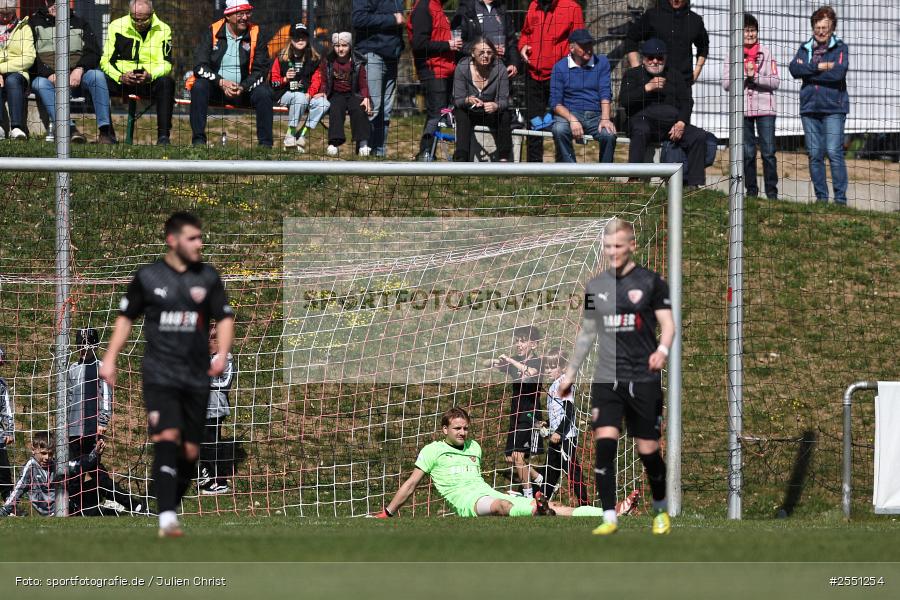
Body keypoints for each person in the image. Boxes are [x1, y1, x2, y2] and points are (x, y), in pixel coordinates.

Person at [100, 211, 235, 537]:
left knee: (189, 451)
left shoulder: (208, 278)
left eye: (200, 237)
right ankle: (167, 518)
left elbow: (226, 317)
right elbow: (125, 319)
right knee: (166, 439)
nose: (199, 243)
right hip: (160, 374)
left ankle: (171, 502)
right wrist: (110, 358)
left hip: (195, 376)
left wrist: (221, 355)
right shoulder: (148, 277)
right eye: (193, 238)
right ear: (172, 241)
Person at [557, 218, 675, 536]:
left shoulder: (652, 283)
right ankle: (609, 517)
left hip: (643, 378)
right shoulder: (596, 287)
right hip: (607, 379)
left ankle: (661, 509)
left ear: (632, 246)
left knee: (648, 451)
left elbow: (668, 324)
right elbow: (587, 332)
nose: (612, 252)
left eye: (618, 246)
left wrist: (662, 350)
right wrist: (570, 373)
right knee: (604, 445)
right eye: (608, 247)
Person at [374, 406, 603, 518]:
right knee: (502, 507)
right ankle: (537, 510)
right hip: (467, 503)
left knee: (557, 506)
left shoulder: (474, 447)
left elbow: (477, 479)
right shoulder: (432, 450)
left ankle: (606, 513)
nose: (463, 432)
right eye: (457, 428)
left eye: (465, 428)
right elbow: (411, 484)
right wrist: (388, 512)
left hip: (486, 491)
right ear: (445, 429)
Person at [619, 38, 708, 188]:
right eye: (650, 57)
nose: (655, 61)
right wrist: (647, 88)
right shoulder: (632, 75)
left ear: (665, 58)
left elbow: (687, 101)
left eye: (659, 58)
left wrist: (681, 122)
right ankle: (633, 178)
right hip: (641, 120)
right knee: (641, 129)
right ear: (643, 58)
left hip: (670, 124)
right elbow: (624, 101)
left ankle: (694, 184)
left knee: (698, 136)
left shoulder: (674, 75)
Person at [29, 0, 116, 144]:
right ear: (45, 2)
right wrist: (48, 73)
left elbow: (94, 52)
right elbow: (30, 56)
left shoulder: (81, 22)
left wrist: (79, 69)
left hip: (78, 78)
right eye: (52, 2)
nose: (55, 5)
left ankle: (106, 132)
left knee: (97, 76)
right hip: (49, 78)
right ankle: (69, 130)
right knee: (39, 83)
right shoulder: (33, 23)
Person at [190, 0, 273, 148]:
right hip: (217, 89)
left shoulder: (257, 33)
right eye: (240, 14)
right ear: (228, 16)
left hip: (245, 91)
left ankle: (265, 146)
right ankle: (198, 142)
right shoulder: (213, 31)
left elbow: (261, 70)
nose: (245, 17)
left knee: (264, 93)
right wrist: (221, 82)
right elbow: (199, 66)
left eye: (247, 13)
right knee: (199, 86)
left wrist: (242, 87)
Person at [789, 5, 849, 205]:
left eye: (825, 28)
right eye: (817, 27)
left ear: (832, 28)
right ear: (813, 27)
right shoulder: (805, 48)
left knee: (833, 152)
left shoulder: (840, 48)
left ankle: (840, 200)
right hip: (809, 108)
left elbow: (838, 73)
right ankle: (821, 199)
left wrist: (810, 72)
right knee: (815, 154)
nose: (821, 32)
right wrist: (820, 66)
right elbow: (794, 69)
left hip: (834, 108)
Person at [100, 0, 175, 146]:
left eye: (143, 19)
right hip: (122, 79)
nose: (138, 23)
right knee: (98, 81)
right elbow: (105, 61)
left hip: (148, 80)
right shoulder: (116, 26)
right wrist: (120, 76)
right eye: (134, 19)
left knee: (167, 82)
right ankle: (107, 134)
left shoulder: (164, 29)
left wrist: (150, 75)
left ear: (152, 14)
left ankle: (163, 137)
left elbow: (166, 64)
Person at [517, 0, 584, 162]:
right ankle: (534, 165)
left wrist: (568, 67)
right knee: (534, 122)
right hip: (533, 74)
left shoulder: (572, 7)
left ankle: (563, 163)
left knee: (560, 122)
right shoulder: (534, 5)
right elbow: (526, 33)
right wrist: (523, 46)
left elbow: (579, 42)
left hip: (559, 75)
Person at [722, 13, 779, 200]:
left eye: (753, 30)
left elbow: (775, 81)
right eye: (746, 31)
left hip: (765, 110)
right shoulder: (732, 53)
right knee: (747, 153)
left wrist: (755, 77)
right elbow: (726, 84)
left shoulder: (767, 52)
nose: (750, 34)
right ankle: (751, 191)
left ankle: (772, 193)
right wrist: (743, 75)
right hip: (743, 110)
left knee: (769, 152)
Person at [490, 325, 544, 499]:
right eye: (517, 341)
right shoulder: (514, 362)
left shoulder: (538, 361)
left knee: (518, 455)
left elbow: (529, 372)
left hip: (530, 414)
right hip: (516, 414)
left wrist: (510, 360)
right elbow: (493, 365)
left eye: (523, 341)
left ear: (534, 344)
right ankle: (538, 478)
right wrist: (495, 361)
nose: (518, 344)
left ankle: (528, 497)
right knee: (510, 458)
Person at [549, 28, 617, 164]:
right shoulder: (560, 67)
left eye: (590, 44)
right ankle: (571, 171)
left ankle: (604, 176)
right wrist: (572, 119)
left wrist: (605, 118)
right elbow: (555, 102)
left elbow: (605, 92)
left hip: (596, 115)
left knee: (609, 134)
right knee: (559, 129)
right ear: (571, 48)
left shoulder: (602, 62)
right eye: (583, 46)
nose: (588, 49)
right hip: (570, 113)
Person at [624, 0, 709, 106]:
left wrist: (696, 73)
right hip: (654, 84)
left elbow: (704, 46)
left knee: (681, 121)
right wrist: (637, 70)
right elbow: (631, 39)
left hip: (682, 85)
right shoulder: (653, 15)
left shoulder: (695, 20)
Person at [0, 432, 103, 517]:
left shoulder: (56, 464)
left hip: (68, 505)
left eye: (50, 454)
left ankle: (109, 505)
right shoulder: (30, 467)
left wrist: (95, 453)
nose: (47, 457)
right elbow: (18, 490)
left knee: (99, 484)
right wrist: (5, 510)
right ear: (33, 450)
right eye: (43, 453)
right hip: (51, 513)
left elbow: (78, 465)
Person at [408, 0, 462, 161]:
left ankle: (429, 151)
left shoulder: (437, 7)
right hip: (433, 70)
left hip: (445, 68)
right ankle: (425, 152)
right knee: (435, 114)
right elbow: (418, 43)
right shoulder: (424, 7)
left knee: (441, 113)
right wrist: (447, 45)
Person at [352, 0, 405, 157]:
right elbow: (358, 19)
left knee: (386, 110)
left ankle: (379, 154)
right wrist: (392, 19)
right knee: (372, 106)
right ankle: (364, 151)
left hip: (392, 56)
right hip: (372, 54)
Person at [307, 32, 372, 157]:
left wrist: (366, 98)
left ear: (350, 46)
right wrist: (323, 93)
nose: (340, 49)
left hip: (354, 93)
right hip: (336, 94)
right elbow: (325, 81)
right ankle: (334, 142)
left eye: (344, 45)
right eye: (337, 45)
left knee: (359, 109)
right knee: (335, 109)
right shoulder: (328, 61)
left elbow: (363, 84)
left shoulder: (358, 62)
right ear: (333, 46)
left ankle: (363, 142)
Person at [539, 348, 588, 505]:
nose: (548, 370)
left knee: (573, 471)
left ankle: (585, 504)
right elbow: (558, 411)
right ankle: (543, 503)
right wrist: (547, 422)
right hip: (556, 437)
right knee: (551, 471)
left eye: (552, 366)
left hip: (566, 438)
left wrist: (559, 431)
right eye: (546, 367)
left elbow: (569, 410)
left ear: (564, 367)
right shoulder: (554, 385)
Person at [451, 36, 511, 162]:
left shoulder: (501, 70)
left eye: (489, 52)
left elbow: (504, 101)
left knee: (504, 114)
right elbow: (457, 100)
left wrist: (496, 105)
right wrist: (467, 100)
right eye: (481, 52)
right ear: (473, 53)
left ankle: (504, 158)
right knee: (460, 113)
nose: (485, 56)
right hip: (469, 112)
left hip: (491, 113)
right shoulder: (462, 68)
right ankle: (462, 156)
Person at [270, 22, 328, 151]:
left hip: (305, 96)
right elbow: (273, 82)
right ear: (291, 39)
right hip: (284, 95)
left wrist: (310, 93)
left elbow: (316, 80)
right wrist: (285, 79)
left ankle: (301, 135)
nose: (300, 39)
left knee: (324, 104)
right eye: (296, 36)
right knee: (299, 97)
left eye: (303, 36)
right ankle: (290, 135)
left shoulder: (314, 58)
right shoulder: (281, 58)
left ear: (308, 39)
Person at [197, 323, 235, 495]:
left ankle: (220, 481)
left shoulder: (225, 358)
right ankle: (207, 473)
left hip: (216, 408)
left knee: (212, 444)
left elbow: (226, 383)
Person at [452, 0, 521, 80]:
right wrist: (484, 50)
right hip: (474, 73)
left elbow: (511, 41)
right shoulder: (466, 9)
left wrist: (514, 63)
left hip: (501, 71)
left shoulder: (502, 9)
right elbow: (458, 44)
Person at [0, 0, 35, 141]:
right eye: (1, 13)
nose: (5, 17)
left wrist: (1, 69)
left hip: (19, 72)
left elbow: (28, 58)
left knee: (12, 80)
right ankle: (1, 128)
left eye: (8, 13)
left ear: (14, 11)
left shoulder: (24, 28)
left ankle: (17, 127)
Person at [0, 346, 13, 502]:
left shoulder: (1, 385)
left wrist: (9, 431)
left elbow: (6, 409)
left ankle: (10, 505)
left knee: (4, 472)